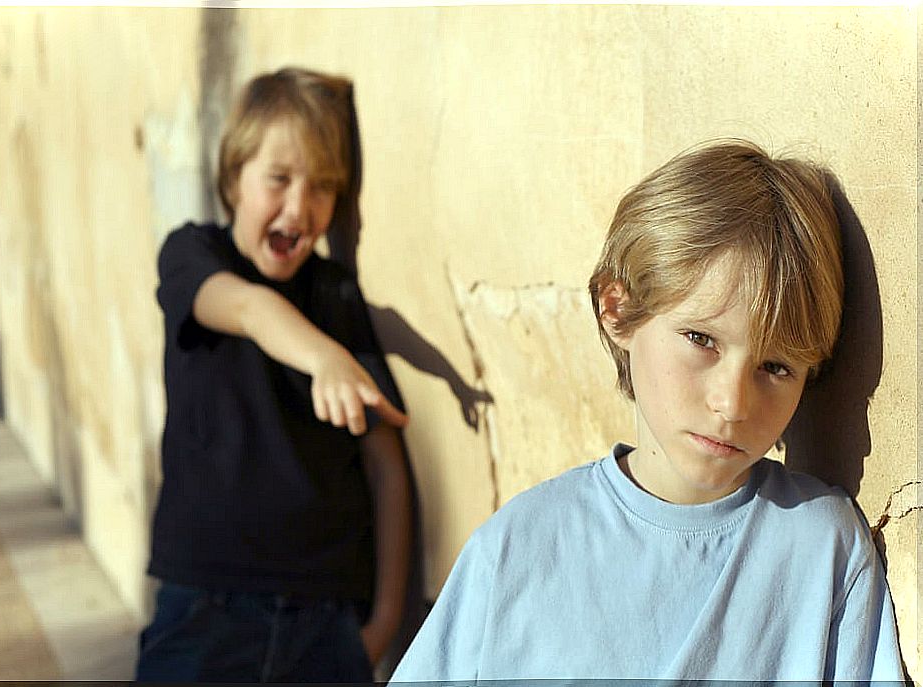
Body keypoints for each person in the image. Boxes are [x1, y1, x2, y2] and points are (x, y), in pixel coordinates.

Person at [390, 140, 906, 683]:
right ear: (618, 312)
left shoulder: (824, 550)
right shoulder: (518, 548)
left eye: (776, 367)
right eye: (700, 339)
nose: (731, 403)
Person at [136, 67, 411, 682]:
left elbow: (385, 463)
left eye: (323, 187)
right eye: (279, 179)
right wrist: (324, 359)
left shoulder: (336, 295)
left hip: (325, 623)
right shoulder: (193, 255)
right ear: (234, 177)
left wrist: (384, 622)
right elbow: (248, 309)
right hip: (204, 607)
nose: (299, 207)